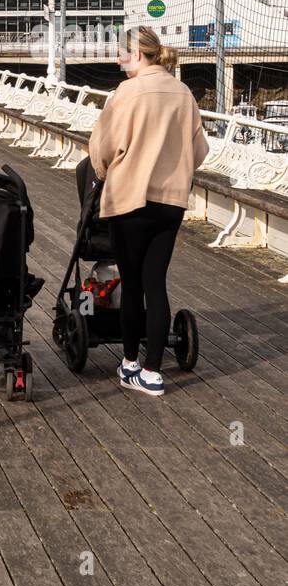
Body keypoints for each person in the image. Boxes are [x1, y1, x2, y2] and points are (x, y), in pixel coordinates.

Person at [88, 25, 208, 396]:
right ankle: (153, 371)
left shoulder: (127, 92)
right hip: (170, 203)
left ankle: (129, 364)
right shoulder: (183, 93)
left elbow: (103, 147)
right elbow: (200, 149)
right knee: (156, 284)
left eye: (122, 53)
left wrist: (106, 172)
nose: (118, 59)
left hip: (131, 200)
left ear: (138, 54)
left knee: (133, 282)